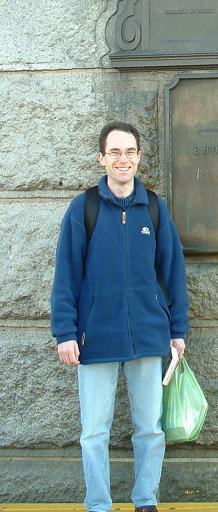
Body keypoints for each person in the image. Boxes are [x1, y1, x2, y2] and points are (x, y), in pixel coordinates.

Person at [51, 121, 189, 512]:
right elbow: (66, 275)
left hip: (148, 336)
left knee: (149, 430)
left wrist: (177, 329)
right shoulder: (84, 209)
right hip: (93, 339)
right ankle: (98, 504)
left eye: (129, 152)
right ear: (102, 158)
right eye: (115, 152)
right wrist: (64, 332)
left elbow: (173, 273)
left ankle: (145, 500)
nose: (122, 159)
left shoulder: (155, 209)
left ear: (139, 158)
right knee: (94, 432)